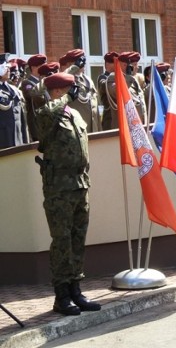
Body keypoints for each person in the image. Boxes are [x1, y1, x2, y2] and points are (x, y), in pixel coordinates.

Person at [35, 72, 101, 316]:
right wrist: (63, 100)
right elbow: (44, 115)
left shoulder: (73, 115)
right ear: (56, 92)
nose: (74, 92)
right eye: (68, 89)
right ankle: (61, 295)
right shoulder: (47, 115)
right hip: (58, 189)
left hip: (80, 184)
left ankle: (76, 289)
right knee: (62, 240)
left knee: (77, 239)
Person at [105, 52, 147, 129]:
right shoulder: (112, 79)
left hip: (138, 127)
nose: (137, 68)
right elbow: (118, 92)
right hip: (125, 128)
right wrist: (128, 76)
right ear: (125, 65)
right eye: (134, 65)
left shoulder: (134, 80)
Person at [63, 49, 101, 133]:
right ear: (70, 64)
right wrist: (74, 68)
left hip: (93, 128)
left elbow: (95, 106)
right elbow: (61, 78)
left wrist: (99, 129)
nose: (82, 64)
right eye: (79, 61)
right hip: (78, 129)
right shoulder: (67, 81)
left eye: (83, 60)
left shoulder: (88, 80)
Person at [0, 53, 29, 149]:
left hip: (18, 140)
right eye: (5, 67)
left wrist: (25, 141)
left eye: (8, 67)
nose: (8, 70)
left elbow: (22, 119)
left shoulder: (14, 90)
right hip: (3, 141)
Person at [20, 54, 48, 141]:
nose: (45, 70)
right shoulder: (27, 83)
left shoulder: (44, 83)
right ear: (33, 68)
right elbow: (34, 96)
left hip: (47, 124)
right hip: (37, 126)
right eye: (42, 67)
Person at [97, 52, 118, 131]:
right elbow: (105, 86)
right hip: (109, 116)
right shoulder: (103, 77)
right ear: (107, 64)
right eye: (114, 63)